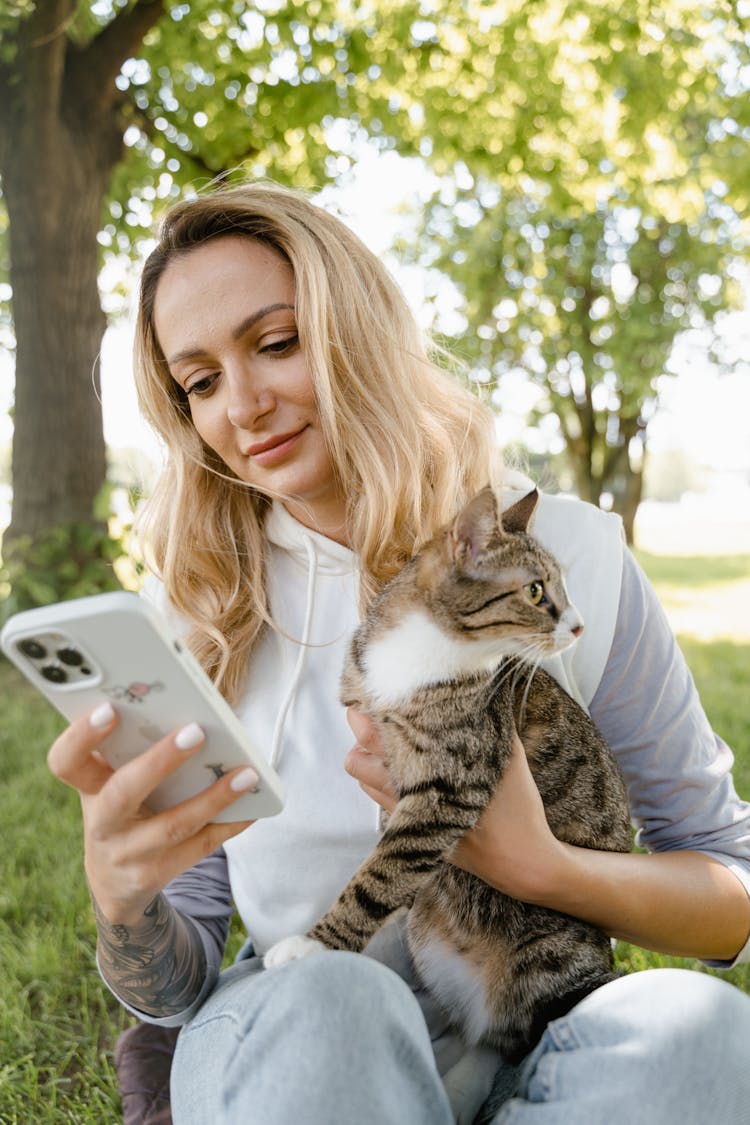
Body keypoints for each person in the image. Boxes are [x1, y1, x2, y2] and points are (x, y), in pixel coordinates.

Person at [47, 181, 750, 1125]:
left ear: (358, 331)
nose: (244, 406)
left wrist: (542, 868)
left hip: (527, 1018)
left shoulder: (565, 560)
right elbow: (174, 988)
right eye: (201, 381)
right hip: (300, 1023)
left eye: (276, 342)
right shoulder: (206, 605)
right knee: (342, 999)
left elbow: (728, 890)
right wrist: (124, 901)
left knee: (701, 1031)